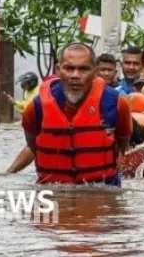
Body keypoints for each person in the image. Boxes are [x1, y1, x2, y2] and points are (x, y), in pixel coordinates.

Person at [20, 43, 133, 185]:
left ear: (95, 72)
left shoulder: (117, 104)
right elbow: (33, 144)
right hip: (53, 189)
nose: (75, 75)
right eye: (69, 68)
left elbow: (123, 142)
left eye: (83, 69)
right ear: (58, 70)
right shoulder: (36, 108)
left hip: (103, 189)